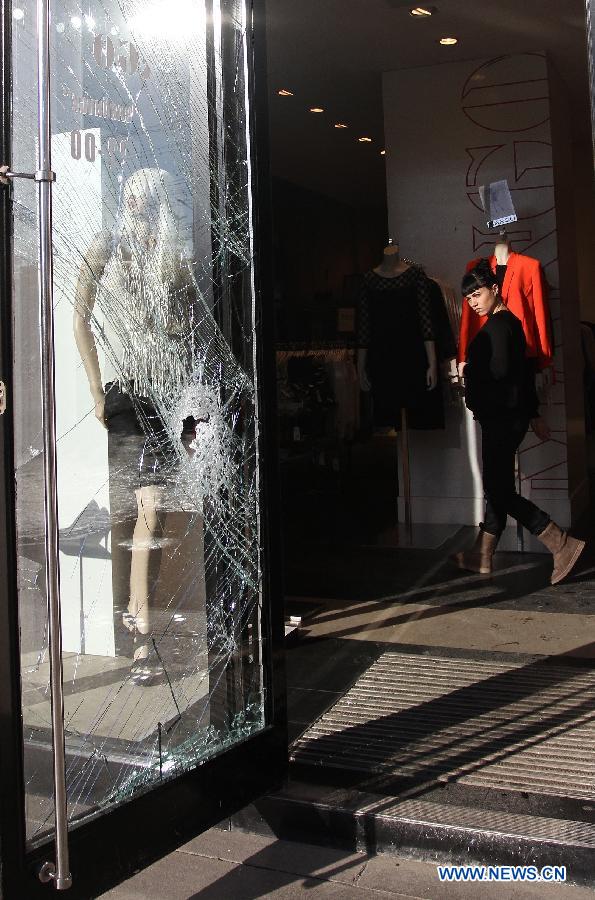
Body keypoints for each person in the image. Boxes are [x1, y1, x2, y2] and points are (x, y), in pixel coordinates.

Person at [452, 259, 585, 584]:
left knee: (498, 489)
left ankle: (559, 542)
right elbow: (522, 375)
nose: (474, 301)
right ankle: (482, 555)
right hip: (507, 418)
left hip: (501, 420)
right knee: (498, 487)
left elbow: (500, 375)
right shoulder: (508, 324)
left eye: (478, 294)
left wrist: (467, 371)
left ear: (494, 289)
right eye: (469, 298)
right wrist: (534, 413)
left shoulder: (498, 327)